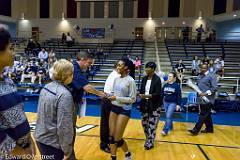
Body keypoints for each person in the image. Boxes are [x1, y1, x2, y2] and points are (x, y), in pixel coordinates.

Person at [0, 27, 35, 158]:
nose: (13, 53)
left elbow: (19, 115)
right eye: (10, 48)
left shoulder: (7, 80)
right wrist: (14, 151)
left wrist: (28, 140)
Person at [34, 59, 74, 160]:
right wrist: (67, 149)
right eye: (72, 73)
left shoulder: (46, 87)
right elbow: (64, 126)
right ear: (67, 75)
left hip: (40, 138)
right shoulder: (64, 95)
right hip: (53, 144)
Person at [70, 51, 106, 158]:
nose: (89, 66)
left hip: (72, 101)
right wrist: (101, 94)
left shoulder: (76, 68)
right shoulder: (74, 68)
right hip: (69, 103)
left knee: (69, 130)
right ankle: (69, 156)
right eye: (89, 63)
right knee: (69, 131)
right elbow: (87, 87)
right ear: (82, 59)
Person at [108, 58, 137, 160]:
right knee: (111, 137)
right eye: (117, 65)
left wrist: (117, 98)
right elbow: (115, 94)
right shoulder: (116, 79)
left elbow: (133, 99)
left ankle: (128, 154)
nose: (117, 67)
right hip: (114, 108)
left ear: (126, 68)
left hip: (124, 109)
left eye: (120, 65)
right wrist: (107, 95)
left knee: (117, 138)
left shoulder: (131, 81)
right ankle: (113, 157)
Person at [188, 64, 218, 136]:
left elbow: (214, 88)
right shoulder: (199, 76)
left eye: (204, 68)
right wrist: (192, 86)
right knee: (207, 115)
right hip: (201, 99)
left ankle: (196, 130)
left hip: (208, 99)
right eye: (201, 68)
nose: (202, 69)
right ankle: (209, 129)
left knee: (203, 114)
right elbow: (198, 86)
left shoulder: (212, 76)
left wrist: (205, 94)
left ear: (207, 68)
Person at [139, 62, 162, 150]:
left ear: (152, 69)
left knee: (152, 125)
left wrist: (146, 96)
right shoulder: (144, 78)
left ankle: (150, 142)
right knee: (144, 123)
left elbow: (157, 94)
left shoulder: (157, 79)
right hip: (145, 104)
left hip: (155, 105)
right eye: (146, 67)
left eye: (148, 68)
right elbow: (141, 90)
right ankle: (148, 138)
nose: (146, 69)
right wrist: (139, 93)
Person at [100, 60, 120, 153]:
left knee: (110, 122)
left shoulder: (113, 74)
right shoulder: (115, 76)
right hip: (109, 100)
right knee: (106, 123)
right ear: (117, 67)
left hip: (108, 99)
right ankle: (104, 144)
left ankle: (110, 141)